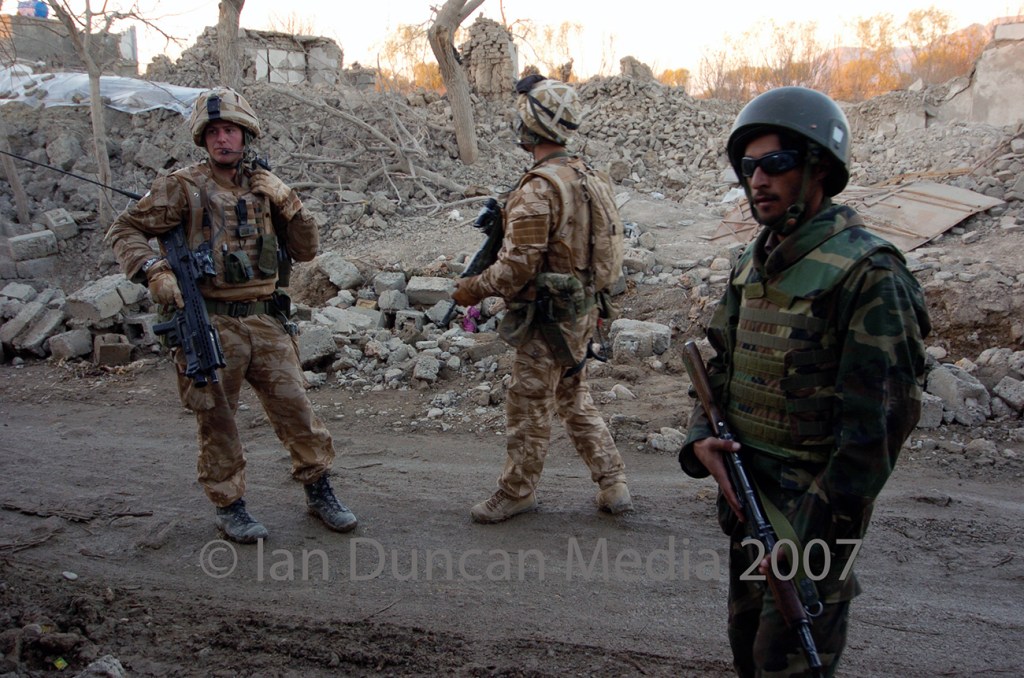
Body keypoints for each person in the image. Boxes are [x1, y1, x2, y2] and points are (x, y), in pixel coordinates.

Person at [678, 86, 930, 676]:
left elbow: (876, 434)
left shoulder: (869, 273)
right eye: (748, 167)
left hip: (810, 523)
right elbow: (717, 368)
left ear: (818, 169)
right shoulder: (754, 262)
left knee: (789, 662)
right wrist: (699, 441)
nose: (758, 180)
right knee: (749, 654)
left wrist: (800, 538)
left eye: (776, 164)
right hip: (748, 503)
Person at [106, 87, 357, 543]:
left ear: (246, 135)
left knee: (298, 411)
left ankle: (320, 491)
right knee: (217, 418)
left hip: (266, 320)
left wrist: (290, 203)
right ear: (204, 139)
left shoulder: (266, 186)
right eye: (215, 132)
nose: (224, 139)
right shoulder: (182, 188)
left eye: (232, 131)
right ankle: (230, 505)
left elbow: (305, 251)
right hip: (213, 321)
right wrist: (153, 269)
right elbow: (125, 229)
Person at [453, 76, 632, 524]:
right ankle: (612, 482)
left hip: (548, 317)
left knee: (529, 403)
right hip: (584, 312)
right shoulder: (591, 176)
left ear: (530, 127)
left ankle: (517, 491)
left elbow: (515, 270)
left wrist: (470, 288)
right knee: (573, 393)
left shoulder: (540, 188)